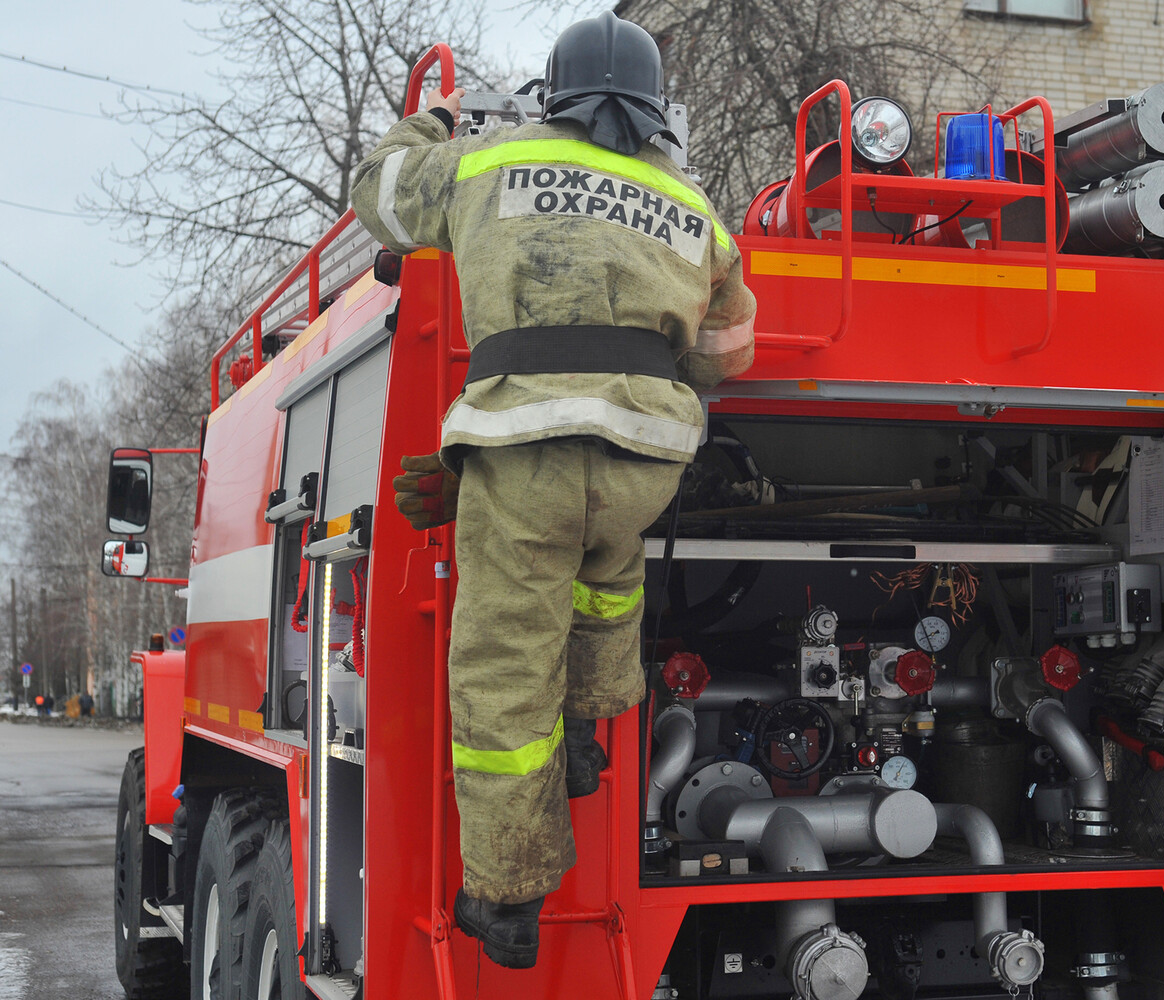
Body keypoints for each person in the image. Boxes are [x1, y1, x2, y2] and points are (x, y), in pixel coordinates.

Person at [350, 10, 755, 970]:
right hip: (648, 458)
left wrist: (436, 121)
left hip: (524, 447)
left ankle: (507, 897)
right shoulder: (691, 202)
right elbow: (730, 348)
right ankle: (586, 735)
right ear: (655, 107)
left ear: (553, 96)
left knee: (501, 670)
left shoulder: (490, 162)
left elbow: (381, 195)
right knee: (606, 584)